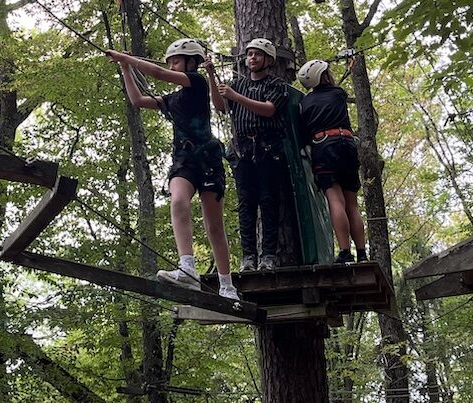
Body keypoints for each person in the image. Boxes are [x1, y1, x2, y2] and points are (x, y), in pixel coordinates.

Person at [106, 39, 240, 300]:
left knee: (214, 225)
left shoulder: (198, 83)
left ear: (191, 62)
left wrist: (127, 58)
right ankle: (187, 268)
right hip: (184, 159)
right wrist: (125, 68)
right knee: (178, 201)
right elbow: (138, 100)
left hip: (208, 159)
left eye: (176, 61)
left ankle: (227, 285)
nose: (171, 67)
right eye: (170, 63)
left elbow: (157, 73)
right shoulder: (173, 99)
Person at [206, 38, 290, 272]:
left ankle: (268, 255)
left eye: (257, 54)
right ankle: (248, 257)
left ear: (268, 60)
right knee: (246, 204)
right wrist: (211, 76)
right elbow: (221, 107)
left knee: (268, 201)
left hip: (268, 149)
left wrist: (235, 96)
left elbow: (269, 109)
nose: (252, 58)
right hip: (243, 150)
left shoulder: (276, 84)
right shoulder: (238, 85)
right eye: (250, 54)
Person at [296, 59, 368, 264]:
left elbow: (303, 133)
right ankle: (362, 253)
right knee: (352, 204)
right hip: (347, 144)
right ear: (324, 76)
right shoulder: (339, 94)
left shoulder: (304, 104)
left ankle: (345, 251)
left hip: (323, 146)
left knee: (336, 200)